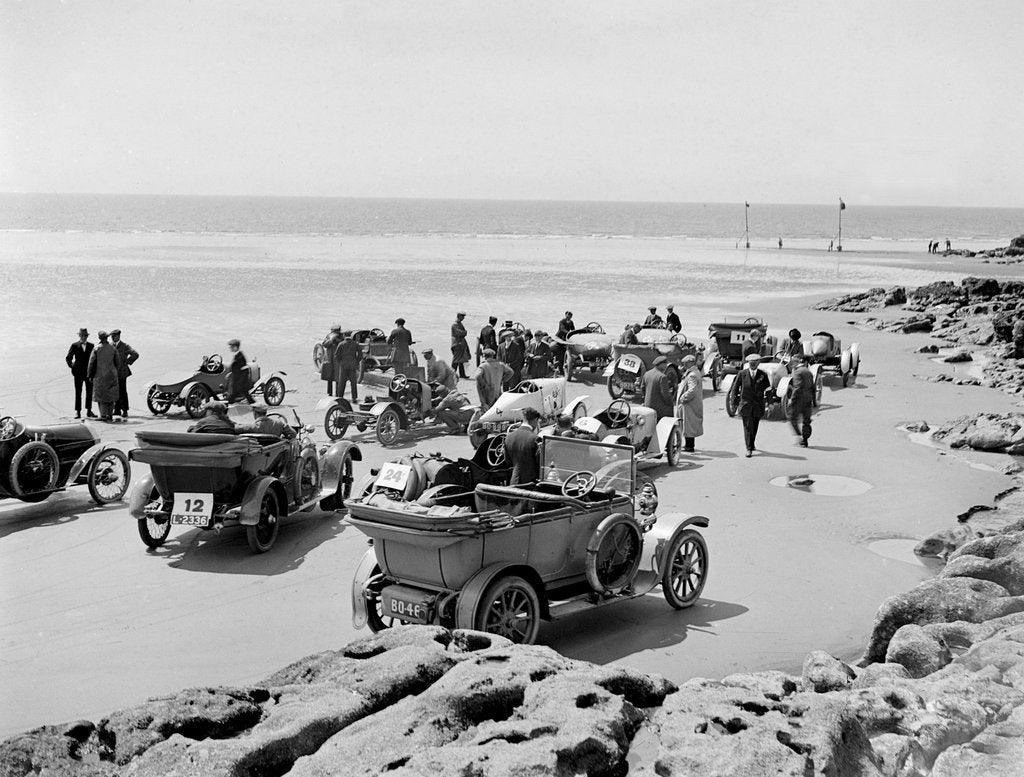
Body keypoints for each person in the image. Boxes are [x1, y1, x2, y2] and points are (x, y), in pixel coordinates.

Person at [736, 353, 771, 457]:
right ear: (748, 363)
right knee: (747, 427)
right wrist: (733, 403)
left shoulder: (763, 375)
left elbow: (768, 389)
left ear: (758, 363)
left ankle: (752, 442)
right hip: (745, 405)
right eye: (751, 363)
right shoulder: (742, 374)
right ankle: (749, 448)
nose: (752, 365)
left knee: (754, 426)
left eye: (754, 363)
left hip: (757, 406)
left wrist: (770, 403)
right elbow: (735, 388)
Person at [87, 331, 121, 421]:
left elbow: (91, 363)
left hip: (99, 375)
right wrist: (114, 371)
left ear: (100, 338)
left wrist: (90, 375)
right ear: (107, 338)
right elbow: (118, 362)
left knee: (101, 397)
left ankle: (103, 415)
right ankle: (110, 415)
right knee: (111, 396)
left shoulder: (96, 348)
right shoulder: (113, 348)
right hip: (112, 374)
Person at [505, 407, 542, 485]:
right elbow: (540, 462)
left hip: (514, 483)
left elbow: (508, 461)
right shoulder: (535, 439)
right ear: (535, 420)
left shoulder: (509, 437)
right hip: (530, 484)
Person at [65, 327, 95, 419]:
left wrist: (93, 371)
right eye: (81, 335)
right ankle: (78, 412)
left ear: (87, 336)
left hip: (88, 372)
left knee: (89, 392)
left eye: (85, 336)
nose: (83, 337)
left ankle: (89, 411)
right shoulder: (74, 345)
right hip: (78, 373)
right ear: (79, 336)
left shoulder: (91, 345)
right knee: (78, 392)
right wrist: (72, 366)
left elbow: (94, 359)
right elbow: (68, 358)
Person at [675, 354, 703, 452]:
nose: (684, 365)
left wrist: (683, 398)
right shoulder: (694, 372)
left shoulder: (692, 375)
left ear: (690, 363)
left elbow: (692, 390)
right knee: (688, 425)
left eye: (686, 363)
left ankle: (689, 447)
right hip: (691, 404)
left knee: (688, 425)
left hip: (689, 404)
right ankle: (688, 445)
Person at [110, 329, 139, 418]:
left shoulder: (125, 346)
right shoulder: (110, 345)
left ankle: (125, 410)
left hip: (122, 372)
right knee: (115, 391)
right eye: (111, 336)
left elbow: (135, 354)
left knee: (122, 391)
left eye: (113, 336)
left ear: (118, 336)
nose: (112, 338)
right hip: (113, 372)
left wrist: (127, 362)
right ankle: (117, 409)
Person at [786, 355, 815, 447]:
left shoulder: (797, 372)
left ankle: (799, 436)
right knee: (806, 421)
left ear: (796, 363)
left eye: (792, 363)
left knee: (792, 418)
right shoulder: (808, 371)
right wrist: (812, 399)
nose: (791, 365)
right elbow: (813, 387)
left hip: (799, 400)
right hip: (808, 399)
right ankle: (805, 440)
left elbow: (797, 388)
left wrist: (792, 400)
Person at [642, 355, 675, 420]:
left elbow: (643, 388)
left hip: (648, 407)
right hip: (660, 410)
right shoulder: (662, 377)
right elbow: (666, 396)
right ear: (661, 365)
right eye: (665, 364)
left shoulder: (647, 374)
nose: (666, 366)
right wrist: (671, 403)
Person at [334, 330, 362, 402]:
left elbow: (336, 355)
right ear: (351, 335)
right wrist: (356, 361)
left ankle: (340, 397)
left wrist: (340, 362)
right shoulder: (355, 344)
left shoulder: (341, 344)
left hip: (343, 365)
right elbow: (360, 354)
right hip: (352, 365)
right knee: (353, 382)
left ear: (344, 336)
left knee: (342, 382)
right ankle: (354, 397)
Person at [225, 339, 255, 404]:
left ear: (235, 347)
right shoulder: (237, 355)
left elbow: (244, 369)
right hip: (238, 379)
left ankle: (227, 406)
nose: (230, 348)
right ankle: (253, 403)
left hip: (240, 380)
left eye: (231, 347)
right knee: (245, 394)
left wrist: (240, 381)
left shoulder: (240, 356)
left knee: (234, 395)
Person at [321, 324, 342, 396]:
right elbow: (324, 344)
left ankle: (338, 393)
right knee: (329, 377)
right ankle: (329, 393)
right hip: (329, 358)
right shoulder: (329, 336)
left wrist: (338, 340)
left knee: (338, 378)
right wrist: (331, 340)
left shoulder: (342, 337)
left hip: (338, 360)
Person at [451, 312, 471, 378]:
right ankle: (451, 374)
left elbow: (463, 332)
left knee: (461, 360)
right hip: (457, 344)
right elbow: (460, 333)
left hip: (460, 344)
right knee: (456, 360)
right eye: (462, 316)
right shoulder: (455, 325)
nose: (463, 318)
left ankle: (462, 374)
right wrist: (464, 332)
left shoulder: (459, 324)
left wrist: (464, 332)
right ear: (459, 316)